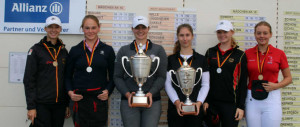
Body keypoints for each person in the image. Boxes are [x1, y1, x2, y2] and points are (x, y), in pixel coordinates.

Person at [114, 15, 167, 127]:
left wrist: (151, 93)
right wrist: (128, 94)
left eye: (143, 27)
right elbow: (117, 76)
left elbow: (162, 76)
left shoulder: (158, 50)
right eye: (137, 27)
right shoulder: (124, 50)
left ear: (148, 28)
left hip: (152, 101)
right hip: (129, 101)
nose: (140, 31)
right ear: (132, 29)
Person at [65, 15, 115, 127]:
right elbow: (67, 76)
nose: (90, 31)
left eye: (93, 28)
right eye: (87, 28)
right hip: (79, 99)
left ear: (99, 28)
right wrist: (70, 92)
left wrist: (107, 91)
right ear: (82, 28)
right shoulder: (75, 50)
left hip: (99, 100)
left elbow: (113, 77)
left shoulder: (107, 50)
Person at [23, 16, 70, 127]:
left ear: (60, 29)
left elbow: (66, 78)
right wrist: (31, 107)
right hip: (41, 105)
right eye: (50, 27)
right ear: (45, 29)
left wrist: (67, 104)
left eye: (56, 27)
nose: (53, 30)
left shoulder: (63, 51)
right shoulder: (36, 50)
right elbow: (29, 80)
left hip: (60, 104)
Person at [245, 21, 292, 127]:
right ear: (255, 34)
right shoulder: (247, 53)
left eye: (265, 33)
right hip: (252, 98)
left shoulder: (279, 53)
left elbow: (288, 78)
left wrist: (276, 86)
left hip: (272, 98)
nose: (262, 36)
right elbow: (242, 78)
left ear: (270, 34)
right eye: (259, 33)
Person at [203, 20, 248, 127]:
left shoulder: (240, 55)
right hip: (212, 103)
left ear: (232, 32)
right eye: (219, 32)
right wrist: (205, 100)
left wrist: (241, 107)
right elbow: (204, 80)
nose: (222, 35)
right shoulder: (210, 52)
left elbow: (242, 83)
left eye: (225, 32)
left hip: (231, 104)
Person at [165, 24, 210, 127]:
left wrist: (199, 103)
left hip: (196, 110)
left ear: (192, 36)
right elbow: (168, 84)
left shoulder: (201, 59)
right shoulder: (171, 60)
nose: (185, 38)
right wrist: (176, 102)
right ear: (177, 37)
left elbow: (205, 84)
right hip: (175, 109)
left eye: (187, 35)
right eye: (181, 35)